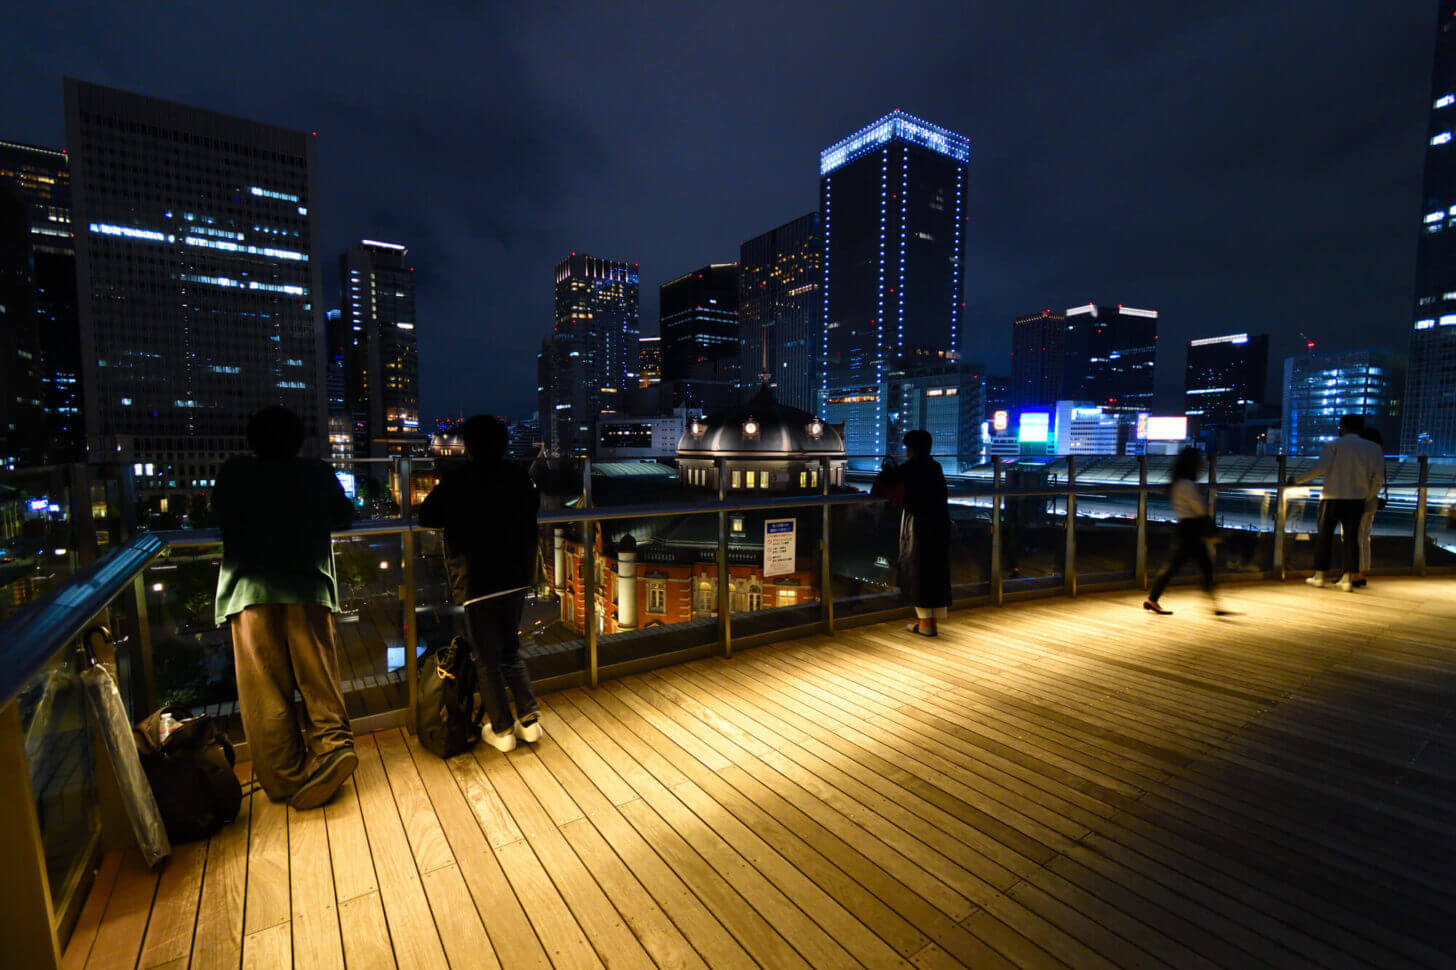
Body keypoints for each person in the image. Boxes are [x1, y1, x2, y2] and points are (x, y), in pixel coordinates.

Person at [213, 406, 356, 809]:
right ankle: (332, 750)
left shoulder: (235, 473)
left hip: (250, 591)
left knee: (265, 692)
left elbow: (217, 514)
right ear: (299, 441)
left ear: (251, 440)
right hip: (306, 587)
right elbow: (343, 516)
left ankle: (284, 780)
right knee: (319, 677)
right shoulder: (315, 472)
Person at [418, 414, 541, 752]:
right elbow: (533, 507)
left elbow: (427, 515)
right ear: (504, 443)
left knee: (485, 659)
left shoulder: (460, 480)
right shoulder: (518, 475)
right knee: (509, 651)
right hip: (516, 575)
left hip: (478, 580)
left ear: (468, 446)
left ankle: (502, 731)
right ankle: (530, 722)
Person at [1289, 413, 1385, 592]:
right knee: (1352, 540)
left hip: (1331, 497)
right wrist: (1368, 496)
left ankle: (1319, 576)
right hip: (1357, 499)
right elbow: (1378, 477)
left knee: (1324, 537)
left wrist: (1297, 480)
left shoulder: (1332, 445)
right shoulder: (1373, 448)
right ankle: (1348, 579)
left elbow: (1320, 468)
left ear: (1343, 427)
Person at [871, 430, 951, 637]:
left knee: (918, 569)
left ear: (912, 448)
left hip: (917, 524)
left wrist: (888, 467)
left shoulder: (910, 468)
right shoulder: (935, 467)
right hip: (939, 523)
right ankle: (931, 622)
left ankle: (925, 624)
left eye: (907, 447)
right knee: (935, 570)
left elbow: (883, 483)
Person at [1143, 447, 1225, 615]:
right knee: (1203, 566)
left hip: (1184, 528)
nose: (1201, 464)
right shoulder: (1187, 484)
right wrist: (1212, 529)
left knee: (1175, 566)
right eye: (1198, 461)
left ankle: (1153, 599)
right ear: (1192, 464)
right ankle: (1215, 606)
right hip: (1192, 529)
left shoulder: (1178, 483)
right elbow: (1200, 509)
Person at [1354, 427, 1386, 588]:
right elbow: (1378, 479)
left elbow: (1375, 480)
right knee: (1365, 537)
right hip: (1371, 502)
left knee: (1356, 537)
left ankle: (1355, 574)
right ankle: (1362, 573)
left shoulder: (1367, 455)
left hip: (1361, 501)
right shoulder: (1378, 454)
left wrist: (1364, 498)